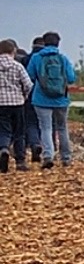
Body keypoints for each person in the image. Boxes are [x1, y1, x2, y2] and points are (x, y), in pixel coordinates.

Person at [26, 32, 75, 168]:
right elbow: (71, 78)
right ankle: (66, 157)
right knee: (62, 128)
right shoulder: (63, 58)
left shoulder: (36, 58)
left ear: (44, 43)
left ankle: (48, 156)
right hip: (61, 99)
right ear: (58, 43)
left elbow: (30, 76)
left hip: (41, 99)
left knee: (45, 128)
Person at [0, 40, 31, 171]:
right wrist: (24, 95)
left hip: (0, 104)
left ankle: (4, 149)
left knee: (3, 130)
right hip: (17, 103)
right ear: (13, 51)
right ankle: (20, 161)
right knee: (19, 132)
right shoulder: (17, 66)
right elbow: (28, 84)